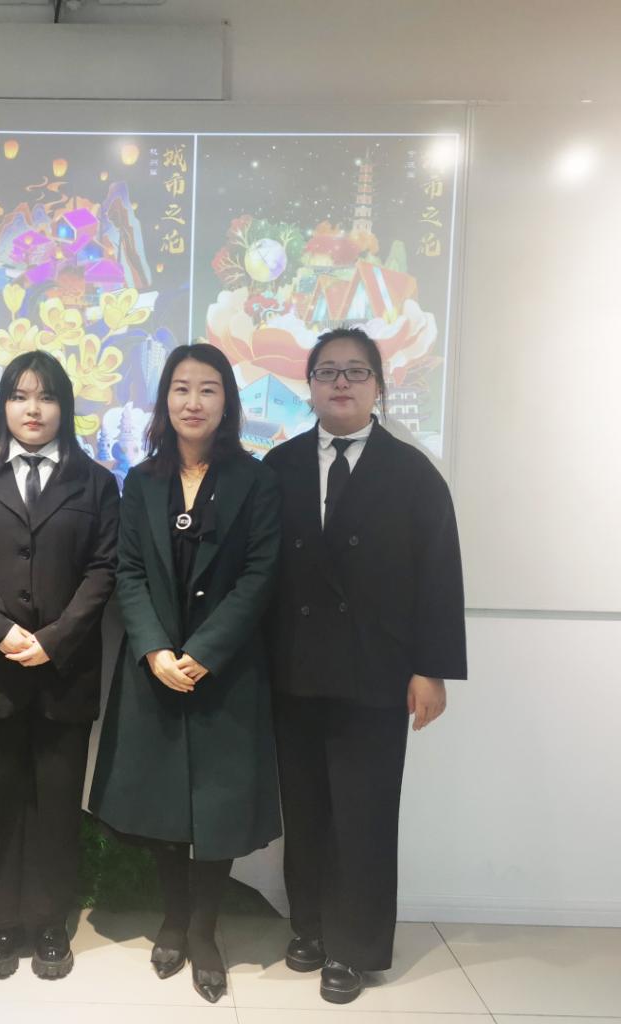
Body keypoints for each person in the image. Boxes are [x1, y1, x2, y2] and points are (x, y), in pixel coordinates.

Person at [262, 326, 467, 1005]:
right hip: (293, 668)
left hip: (377, 673)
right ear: (310, 386)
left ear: (379, 385)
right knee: (305, 809)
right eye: (327, 372)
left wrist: (431, 669)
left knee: (365, 815)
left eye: (355, 371)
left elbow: (439, 576)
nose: (341, 382)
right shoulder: (278, 466)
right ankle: (310, 927)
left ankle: (354, 947)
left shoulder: (413, 472)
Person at [89, 342, 282, 1004]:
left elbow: (260, 575)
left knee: (218, 808)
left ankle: (203, 930)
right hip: (156, 670)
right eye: (180, 388)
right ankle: (173, 918)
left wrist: (206, 650)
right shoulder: (141, 480)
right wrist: (154, 650)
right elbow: (129, 572)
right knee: (162, 803)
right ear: (164, 399)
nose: (192, 401)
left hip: (225, 672)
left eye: (207, 389)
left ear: (227, 401)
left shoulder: (256, 480)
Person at [0, 350, 119, 981]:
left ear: (64, 406)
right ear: (3, 405)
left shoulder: (96, 483)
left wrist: (55, 639)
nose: (33, 409)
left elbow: (104, 569)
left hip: (65, 671)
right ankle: (0, 922)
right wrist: (2, 632)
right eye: (19, 396)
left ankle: (48, 920)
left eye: (46, 397)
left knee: (58, 800)